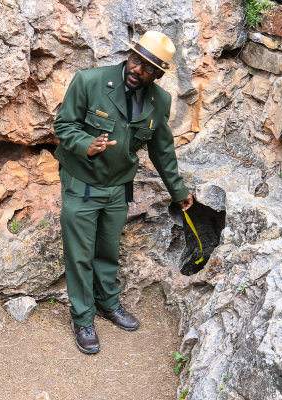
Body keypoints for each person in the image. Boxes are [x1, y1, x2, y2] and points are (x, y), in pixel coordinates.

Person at [54, 30, 193, 355]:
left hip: (118, 187)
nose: (136, 69)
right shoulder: (89, 81)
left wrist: (178, 190)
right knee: (80, 254)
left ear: (157, 74)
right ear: (128, 56)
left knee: (108, 250)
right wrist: (86, 144)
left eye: (146, 67)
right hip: (81, 183)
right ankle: (83, 318)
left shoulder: (161, 101)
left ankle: (108, 304)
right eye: (134, 59)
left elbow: (162, 150)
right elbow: (63, 126)